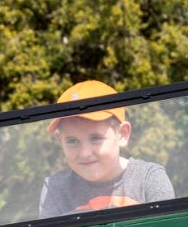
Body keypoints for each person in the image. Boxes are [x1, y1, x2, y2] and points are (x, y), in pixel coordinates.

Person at [39, 80, 174, 218]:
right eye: (72, 141)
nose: (85, 153)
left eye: (96, 138)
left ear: (123, 134)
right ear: (60, 141)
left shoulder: (148, 179)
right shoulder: (55, 189)